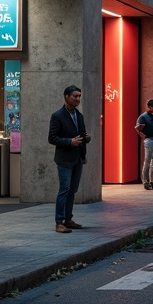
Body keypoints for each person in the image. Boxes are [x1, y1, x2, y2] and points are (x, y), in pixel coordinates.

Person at [48, 84, 91, 233]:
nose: (78, 99)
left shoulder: (79, 115)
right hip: (65, 159)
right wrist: (69, 142)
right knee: (64, 189)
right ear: (66, 97)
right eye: (75, 96)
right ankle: (59, 222)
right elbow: (52, 138)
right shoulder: (57, 116)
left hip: (78, 158)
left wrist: (86, 138)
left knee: (72, 190)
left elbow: (81, 133)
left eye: (79, 96)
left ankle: (68, 219)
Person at [135, 99, 153, 190]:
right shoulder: (143, 117)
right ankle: (145, 181)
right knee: (147, 161)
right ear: (149, 107)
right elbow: (137, 128)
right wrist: (143, 135)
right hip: (150, 140)